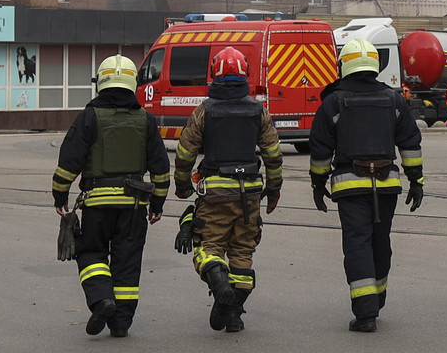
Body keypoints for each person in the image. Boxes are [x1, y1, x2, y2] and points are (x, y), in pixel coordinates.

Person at [309, 39, 424, 333]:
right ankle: (377, 296)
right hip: (387, 185)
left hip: (350, 187)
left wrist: (317, 183)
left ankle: (365, 313)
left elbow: (320, 149)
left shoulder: (333, 102)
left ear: (344, 64)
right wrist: (416, 182)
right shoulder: (394, 99)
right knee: (380, 240)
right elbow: (410, 144)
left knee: (357, 244)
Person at [52, 55, 170, 338]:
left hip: (96, 205)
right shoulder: (146, 119)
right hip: (134, 207)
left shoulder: (89, 117)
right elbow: (160, 168)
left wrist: (60, 196)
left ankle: (102, 299)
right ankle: (120, 324)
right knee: (127, 263)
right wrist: (157, 204)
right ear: (133, 83)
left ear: (100, 82)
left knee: (91, 252)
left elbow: (69, 160)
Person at [172, 46, 282, 333]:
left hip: (216, 193)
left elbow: (184, 154)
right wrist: (274, 189)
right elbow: (273, 154)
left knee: (207, 248)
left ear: (213, 75)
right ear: (245, 73)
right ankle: (234, 315)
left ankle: (220, 286)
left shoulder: (204, 111)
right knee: (243, 252)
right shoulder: (259, 110)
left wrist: (182, 186)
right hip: (250, 194)